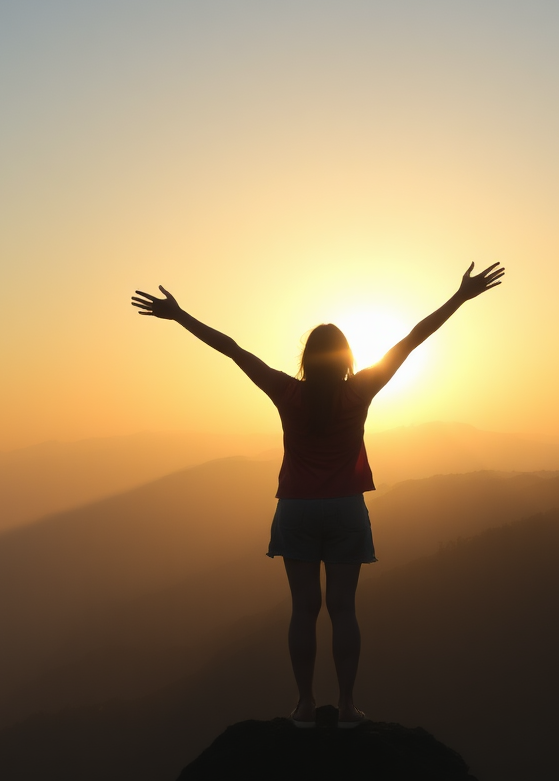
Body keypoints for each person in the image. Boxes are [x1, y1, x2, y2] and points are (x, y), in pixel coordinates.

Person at [131, 261, 505, 728]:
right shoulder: (361, 390)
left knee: (303, 610)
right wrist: (460, 297)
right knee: (343, 609)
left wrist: (180, 315)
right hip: (346, 509)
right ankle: (347, 707)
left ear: (306, 360)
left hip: (297, 512)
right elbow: (411, 340)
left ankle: (305, 706)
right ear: (346, 358)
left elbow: (231, 349)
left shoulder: (287, 392)